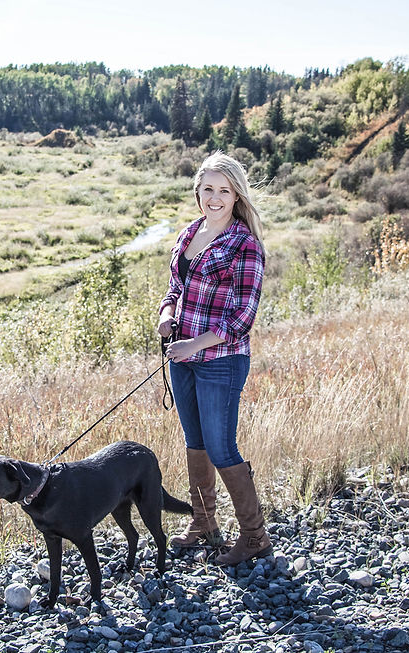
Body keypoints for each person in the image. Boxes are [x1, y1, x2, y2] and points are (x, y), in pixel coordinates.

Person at [158, 151, 271, 566]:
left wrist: (194, 344)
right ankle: (204, 523)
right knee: (196, 443)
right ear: (198, 192)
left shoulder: (246, 245)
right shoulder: (191, 233)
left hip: (221, 360)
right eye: (208, 189)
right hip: (182, 356)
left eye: (224, 190)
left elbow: (243, 318)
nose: (215, 197)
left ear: (236, 194)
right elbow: (175, 289)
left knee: (223, 448)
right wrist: (167, 316)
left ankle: (254, 537)